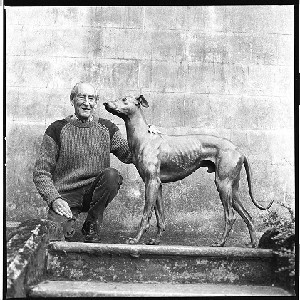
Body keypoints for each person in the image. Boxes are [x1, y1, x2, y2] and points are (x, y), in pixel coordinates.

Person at [33, 82, 132, 243]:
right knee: (53, 239)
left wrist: (146, 135)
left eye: (91, 98)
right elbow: (41, 172)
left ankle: (92, 222)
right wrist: (54, 199)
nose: (87, 103)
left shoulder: (107, 128)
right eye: (82, 97)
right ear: (72, 100)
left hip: (93, 193)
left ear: (95, 102)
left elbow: (129, 155)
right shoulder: (56, 129)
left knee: (112, 175)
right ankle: (66, 223)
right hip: (66, 196)